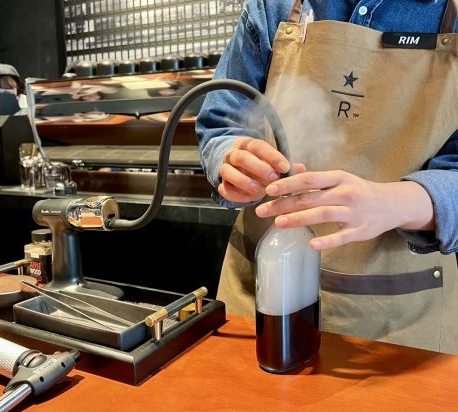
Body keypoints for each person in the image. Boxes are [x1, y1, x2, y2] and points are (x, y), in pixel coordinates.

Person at [196, 0, 458, 353]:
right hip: (258, 299)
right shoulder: (273, 8)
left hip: (396, 324)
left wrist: (396, 202)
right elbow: (220, 121)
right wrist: (231, 157)